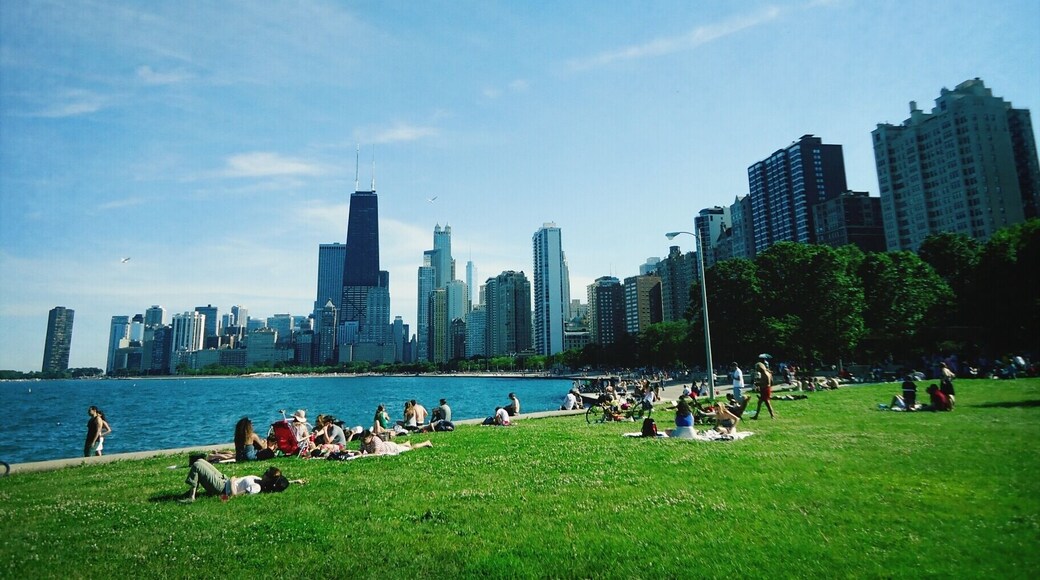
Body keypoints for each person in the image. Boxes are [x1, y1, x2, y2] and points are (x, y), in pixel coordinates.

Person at [181, 458, 303, 503]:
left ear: (269, 479)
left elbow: (234, 496)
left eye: (267, 472)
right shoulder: (260, 481)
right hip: (224, 480)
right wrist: (295, 481)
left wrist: (233, 481)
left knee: (197, 465)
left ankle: (192, 497)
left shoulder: (257, 488)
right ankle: (192, 493)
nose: (264, 472)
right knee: (200, 461)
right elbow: (277, 483)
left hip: (222, 488)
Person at [358, 429, 433, 456]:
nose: (363, 442)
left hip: (391, 448)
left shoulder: (375, 440)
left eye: (364, 440)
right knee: (402, 446)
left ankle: (426, 443)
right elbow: (360, 451)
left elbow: (376, 453)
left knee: (411, 448)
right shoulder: (364, 442)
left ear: (370, 437)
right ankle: (406, 443)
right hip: (387, 445)